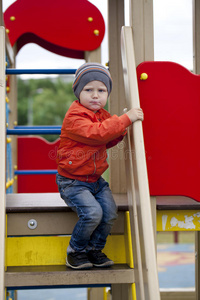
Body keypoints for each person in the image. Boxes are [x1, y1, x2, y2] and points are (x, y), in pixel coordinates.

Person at [56, 62, 143, 270]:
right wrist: (124, 119)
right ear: (78, 92)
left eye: (101, 90)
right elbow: (98, 134)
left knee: (109, 212)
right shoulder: (75, 116)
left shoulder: (102, 115)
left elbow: (108, 139)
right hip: (73, 181)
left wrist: (122, 127)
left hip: (95, 181)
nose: (95, 95)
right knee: (93, 213)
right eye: (88, 90)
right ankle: (75, 251)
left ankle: (94, 249)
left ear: (107, 93)